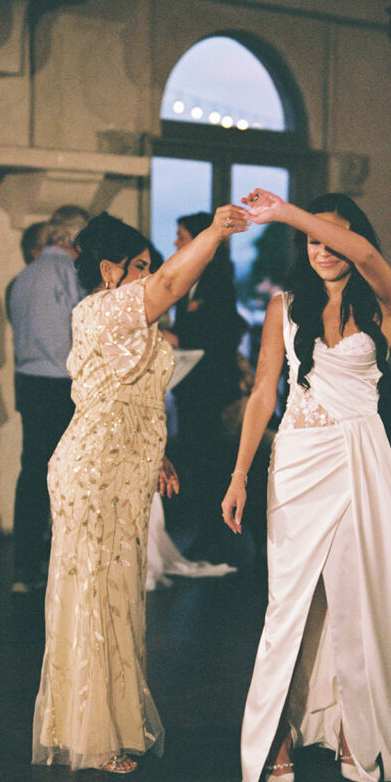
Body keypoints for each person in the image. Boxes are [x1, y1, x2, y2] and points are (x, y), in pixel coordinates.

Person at [222, 189, 391, 782]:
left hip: (361, 459)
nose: (320, 250)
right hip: (295, 461)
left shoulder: (386, 297)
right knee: (289, 603)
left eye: (330, 237)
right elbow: (265, 390)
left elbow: (366, 251)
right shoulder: (285, 305)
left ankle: (356, 725)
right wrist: (240, 473)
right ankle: (279, 734)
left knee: (356, 596)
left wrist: (292, 213)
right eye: (311, 241)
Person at [32, 203, 249, 775]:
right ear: (109, 271)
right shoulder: (106, 309)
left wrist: (158, 456)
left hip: (121, 464)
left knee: (119, 594)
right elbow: (175, 283)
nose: (151, 277)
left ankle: (108, 723)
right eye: (141, 267)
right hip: (94, 470)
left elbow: (127, 395)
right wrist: (213, 232)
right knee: (94, 597)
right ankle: (93, 736)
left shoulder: (123, 318)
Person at [8, 205, 89, 592]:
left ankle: (25, 565)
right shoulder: (70, 275)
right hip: (61, 385)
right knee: (65, 476)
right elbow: (83, 330)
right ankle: (62, 561)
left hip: (28, 381)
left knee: (32, 473)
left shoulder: (22, 277)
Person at [163, 212, 246, 562]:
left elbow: (225, 331)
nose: (176, 242)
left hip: (211, 387)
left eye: (181, 235)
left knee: (211, 463)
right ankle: (205, 534)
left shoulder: (217, 278)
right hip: (191, 387)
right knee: (196, 463)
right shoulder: (189, 278)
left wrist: (178, 336)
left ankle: (219, 537)